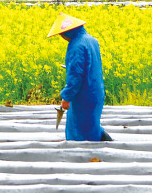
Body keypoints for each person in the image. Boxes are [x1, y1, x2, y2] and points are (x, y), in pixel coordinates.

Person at [47, 13, 112, 142]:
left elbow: (76, 75)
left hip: (83, 95)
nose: (62, 37)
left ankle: (85, 158)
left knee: (79, 132)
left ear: (69, 31)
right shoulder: (92, 40)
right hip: (96, 91)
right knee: (92, 126)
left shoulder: (76, 45)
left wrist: (67, 96)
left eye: (62, 34)